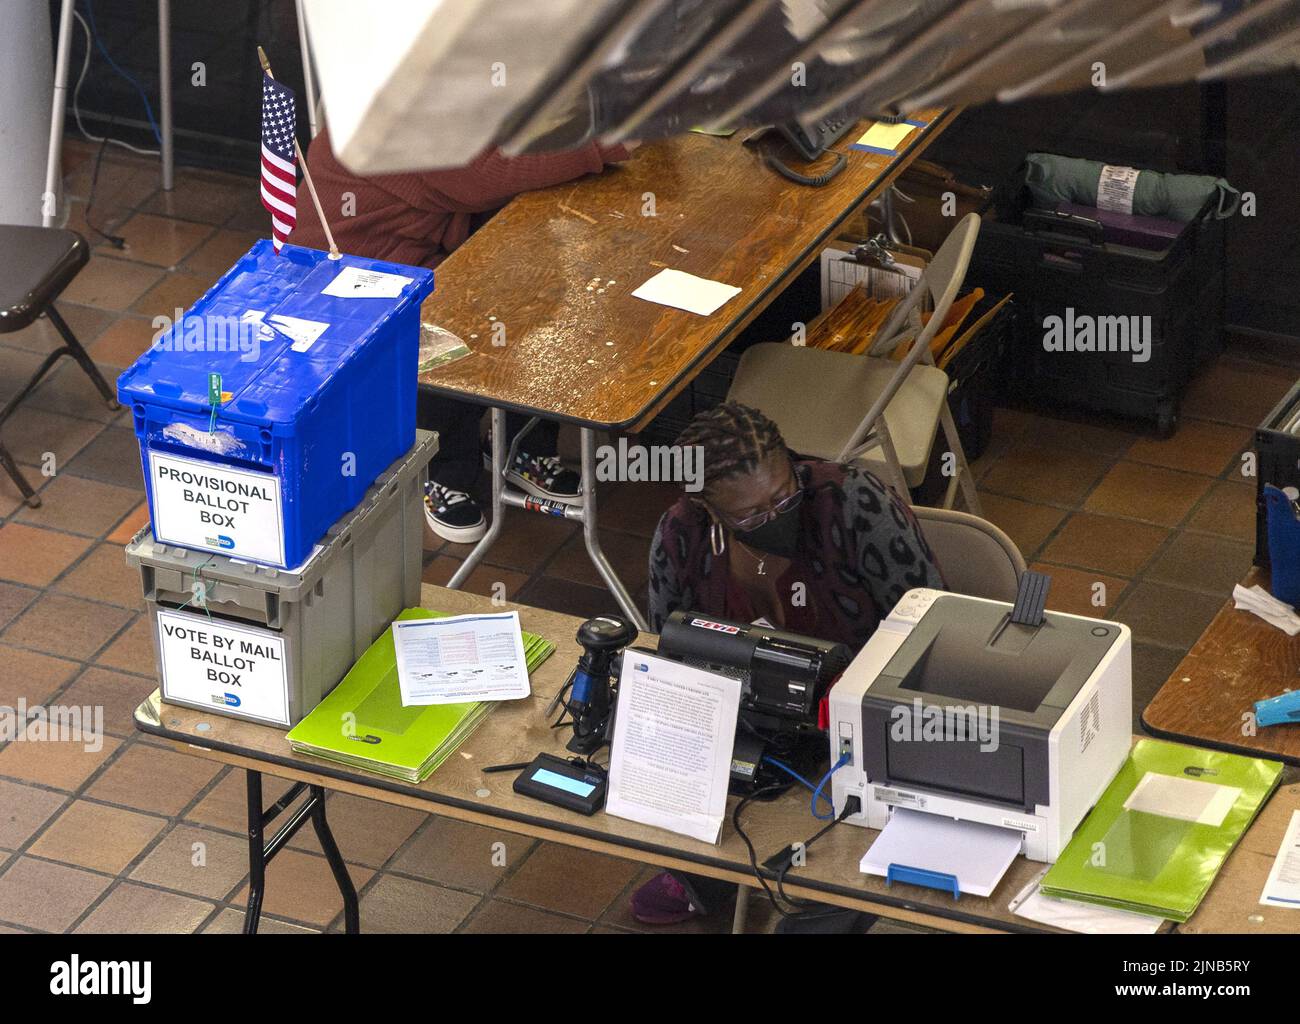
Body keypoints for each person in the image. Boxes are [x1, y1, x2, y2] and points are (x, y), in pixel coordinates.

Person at [634, 401, 946, 930]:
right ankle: (708, 871)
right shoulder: (680, 535)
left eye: (783, 498)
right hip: (750, 720)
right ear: (706, 506)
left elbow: (931, 628)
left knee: (826, 893)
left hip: (865, 718)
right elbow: (672, 650)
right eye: (750, 516)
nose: (774, 518)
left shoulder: (853, 504)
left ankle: (839, 892)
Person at [289, 126, 636, 542]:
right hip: (356, 280)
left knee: (536, 279)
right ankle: (443, 470)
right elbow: (484, 178)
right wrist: (601, 146)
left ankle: (518, 444)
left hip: (421, 249)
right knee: (456, 325)